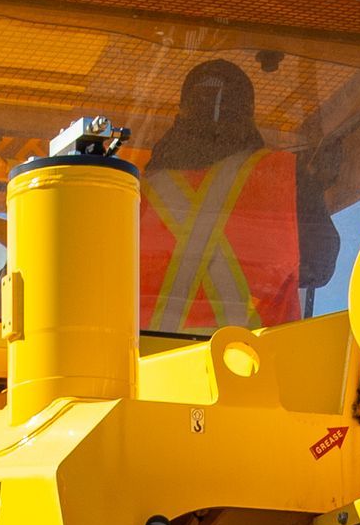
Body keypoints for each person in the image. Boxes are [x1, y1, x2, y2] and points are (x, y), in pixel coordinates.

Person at [140, 59, 340, 334]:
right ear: (247, 113)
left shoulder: (133, 194)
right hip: (252, 367)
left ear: (182, 113)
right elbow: (320, 266)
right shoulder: (285, 178)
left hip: (140, 368)